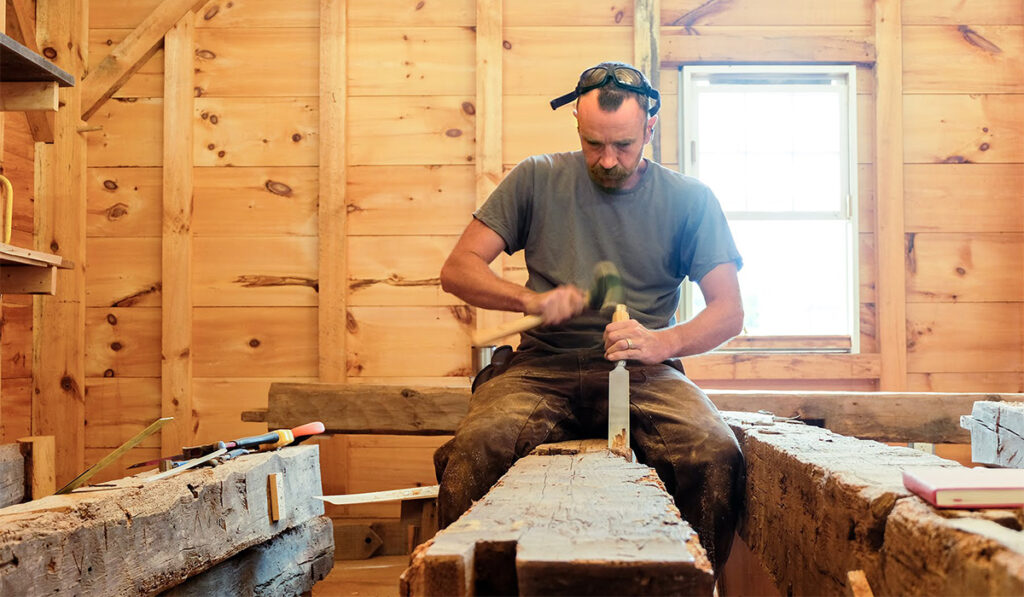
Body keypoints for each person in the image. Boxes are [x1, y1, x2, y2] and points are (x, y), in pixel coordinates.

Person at [434, 61, 745, 573]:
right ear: (578, 126)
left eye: (623, 145)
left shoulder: (690, 200)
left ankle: (689, 584)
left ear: (650, 127)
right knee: (475, 450)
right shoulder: (537, 177)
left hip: (641, 370)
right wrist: (528, 301)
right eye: (592, 143)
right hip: (541, 366)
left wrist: (660, 343)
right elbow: (458, 270)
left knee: (712, 455)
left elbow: (729, 312)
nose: (606, 159)